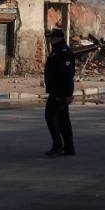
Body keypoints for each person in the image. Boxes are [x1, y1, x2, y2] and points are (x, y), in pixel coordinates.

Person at [44, 28, 76, 157]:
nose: (50, 40)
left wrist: (68, 94)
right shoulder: (57, 51)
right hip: (57, 91)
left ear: (58, 38)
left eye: (52, 37)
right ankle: (69, 148)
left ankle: (58, 146)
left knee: (51, 117)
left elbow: (67, 75)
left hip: (60, 92)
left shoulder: (64, 52)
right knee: (63, 120)